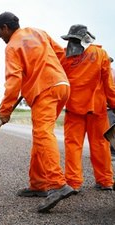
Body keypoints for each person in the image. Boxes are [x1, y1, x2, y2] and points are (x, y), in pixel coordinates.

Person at [0, 11, 74, 213]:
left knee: (43, 134)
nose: (0, 37)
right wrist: (48, 70)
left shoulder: (12, 47)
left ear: (5, 28)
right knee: (40, 135)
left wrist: (5, 110)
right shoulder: (38, 32)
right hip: (62, 86)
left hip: (45, 90)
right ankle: (38, 184)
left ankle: (57, 184)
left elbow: (13, 81)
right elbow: (61, 54)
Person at [60, 25, 115, 192]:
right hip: (97, 109)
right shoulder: (101, 55)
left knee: (73, 146)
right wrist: (114, 104)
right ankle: (105, 181)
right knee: (100, 144)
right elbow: (109, 86)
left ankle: (73, 183)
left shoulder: (64, 57)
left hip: (74, 109)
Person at [107, 57, 115, 156]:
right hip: (110, 106)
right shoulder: (112, 72)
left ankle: (112, 150)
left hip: (109, 106)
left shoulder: (110, 73)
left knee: (110, 128)